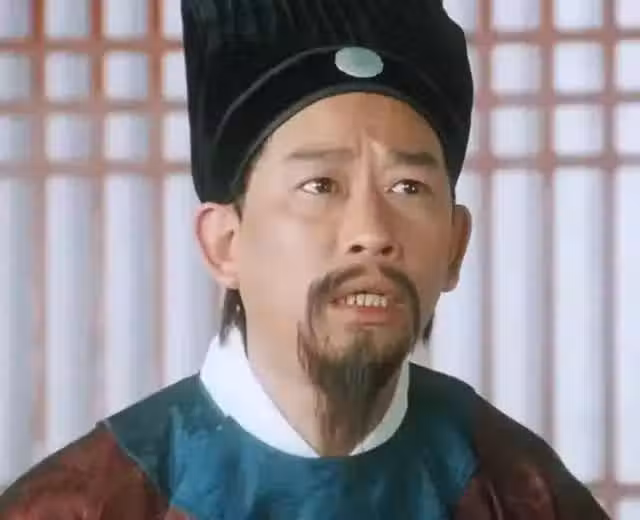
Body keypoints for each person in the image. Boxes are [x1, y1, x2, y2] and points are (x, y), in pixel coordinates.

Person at [0, 0, 609, 518]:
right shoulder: (96, 501)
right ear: (225, 243)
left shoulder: (518, 490)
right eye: (321, 185)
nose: (371, 233)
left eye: (408, 187)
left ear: (455, 246)